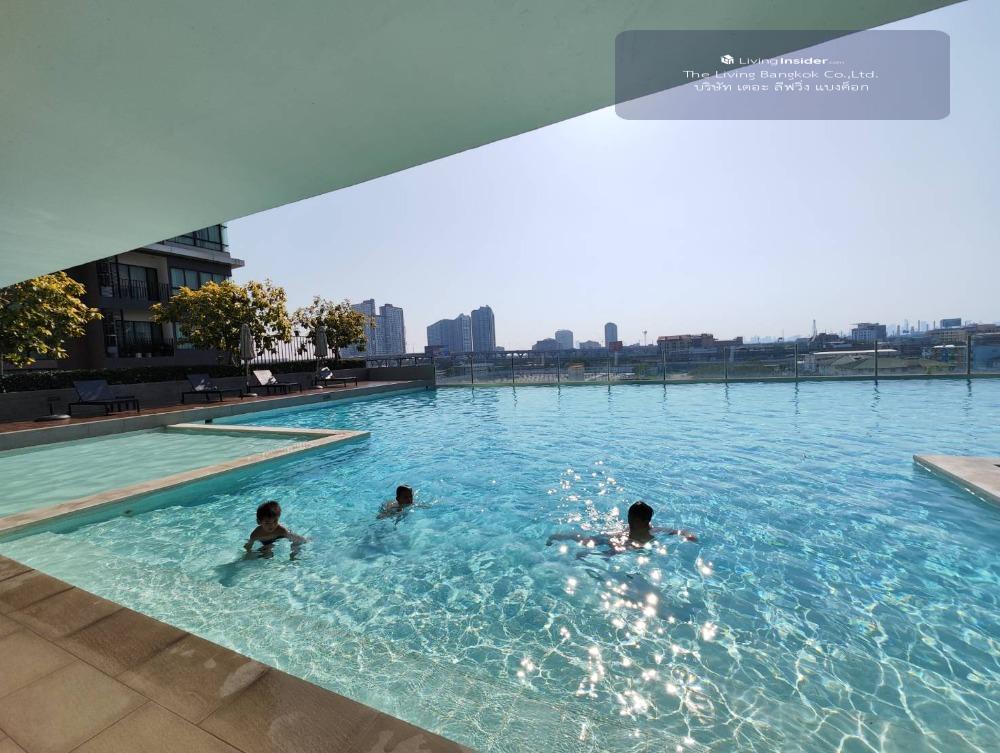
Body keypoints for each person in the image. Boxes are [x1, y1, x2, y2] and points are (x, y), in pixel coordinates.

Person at [626, 501, 697, 545]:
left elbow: (683, 533)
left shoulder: (655, 531)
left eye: (636, 521)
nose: (630, 522)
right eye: (629, 518)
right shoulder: (626, 529)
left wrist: (689, 537)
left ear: (646, 522)